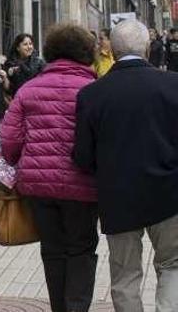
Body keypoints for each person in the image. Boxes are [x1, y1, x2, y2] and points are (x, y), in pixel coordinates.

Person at [74, 20, 178, 312]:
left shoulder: (92, 94)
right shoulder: (174, 85)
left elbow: (82, 156)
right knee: (173, 266)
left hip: (118, 196)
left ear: (111, 50)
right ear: (146, 48)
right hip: (170, 193)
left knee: (125, 274)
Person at [0, 24, 98, 312]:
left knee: (52, 250)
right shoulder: (93, 89)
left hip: (38, 186)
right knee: (81, 249)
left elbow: (9, 143)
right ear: (85, 53)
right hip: (84, 187)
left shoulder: (28, 90)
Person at [4, 33, 45, 97]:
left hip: (36, 99)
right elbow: (9, 88)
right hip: (18, 99)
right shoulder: (10, 63)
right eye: (25, 44)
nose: (29, 47)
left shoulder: (40, 63)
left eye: (30, 44)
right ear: (18, 48)